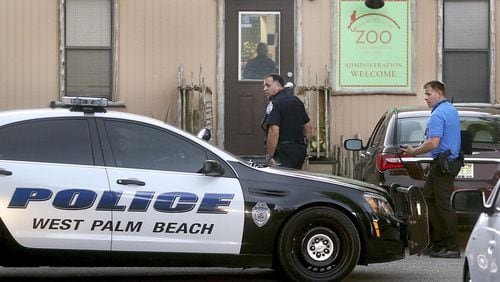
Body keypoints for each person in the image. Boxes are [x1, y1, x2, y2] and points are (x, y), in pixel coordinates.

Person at [401, 80, 461, 259]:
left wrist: (414, 151)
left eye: (428, 94)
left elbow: (433, 142)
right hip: (447, 163)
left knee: (443, 206)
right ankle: (438, 243)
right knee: (429, 199)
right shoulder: (450, 109)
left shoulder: (438, 114)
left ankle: (451, 247)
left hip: (443, 164)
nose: (425, 98)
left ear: (439, 93)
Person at [261, 73, 312, 169]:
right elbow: (308, 128)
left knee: (282, 181)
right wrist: (303, 147)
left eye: (268, 85)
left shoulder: (275, 103)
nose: (264, 89)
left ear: (278, 86)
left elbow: (274, 131)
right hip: (299, 150)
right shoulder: (296, 100)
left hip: (284, 152)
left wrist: (269, 156)